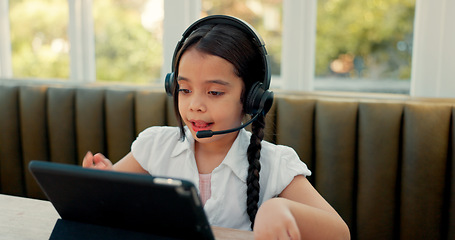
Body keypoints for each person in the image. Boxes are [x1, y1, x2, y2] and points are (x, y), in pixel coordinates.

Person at [82, 15, 350, 240]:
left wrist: (283, 209)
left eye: (213, 92)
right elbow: (109, 207)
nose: (194, 105)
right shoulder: (155, 146)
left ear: (251, 98)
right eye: (185, 89)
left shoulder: (276, 163)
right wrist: (101, 183)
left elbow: (340, 233)